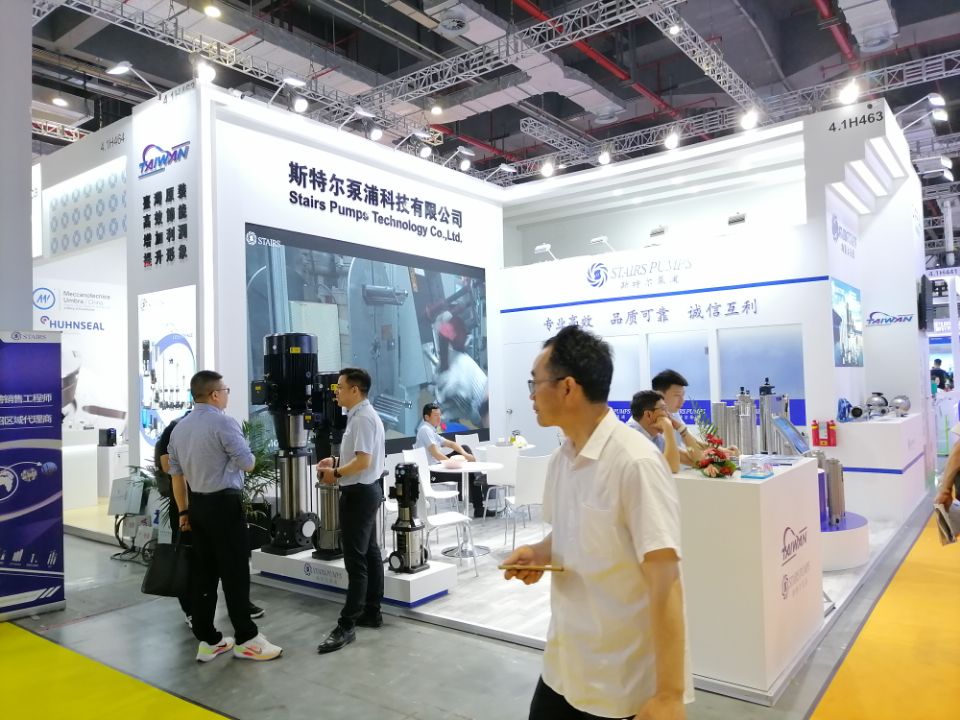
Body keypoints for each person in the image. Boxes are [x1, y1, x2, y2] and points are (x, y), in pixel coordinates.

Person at [504, 326, 692, 720]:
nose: (531, 395)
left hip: (617, 684)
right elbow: (571, 533)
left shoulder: (635, 463)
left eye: (535, 383)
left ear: (567, 387)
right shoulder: (562, 460)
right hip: (562, 667)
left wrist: (670, 695)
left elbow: (666, 582)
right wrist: (539, 552)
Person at [168, 371, 282, 662]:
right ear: (215, 394)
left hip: (197, 506)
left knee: (204, 574)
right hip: (224, 505)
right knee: (235, 573)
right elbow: (248, 463)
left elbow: (176, 475)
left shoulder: (179, 429)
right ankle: (246, 638)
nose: (228, 394)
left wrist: (184, 511)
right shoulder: (223, 422)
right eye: (226, 390)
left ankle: (208, 639)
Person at [155, 411, 265, 629]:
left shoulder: (214, 426)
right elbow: (168, 467)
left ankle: (238, 608)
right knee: (192, 560)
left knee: (226, 559)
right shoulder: (176, 429)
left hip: (213, 499)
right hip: (186, 501)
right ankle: (192, 611)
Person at [315, 367, 386, 654]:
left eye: (340, 387)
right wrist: (334, 461)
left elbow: (363, 462)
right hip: (364, 491)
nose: (336, 392)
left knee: (356, 561)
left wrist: (335, 474)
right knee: (369, 553)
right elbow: (357, 457)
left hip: (359, 494)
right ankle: (371, 611)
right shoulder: (358, 416)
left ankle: (346, 625)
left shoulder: (364, 418)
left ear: (355, 390)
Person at [414, 402, 492, 517]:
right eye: (435, 415)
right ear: (427, 417)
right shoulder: (425, 430)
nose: (439, 418)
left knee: (464, 448)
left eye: (439, 415)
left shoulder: (431, 431)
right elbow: (435, 453)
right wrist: (451, 464)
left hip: (438, 467)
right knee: (469, 474)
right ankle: (479, 507)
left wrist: (465, 454)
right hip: (433, 472)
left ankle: (477, 476)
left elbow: (451, 444)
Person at [652, 369, 737, 460]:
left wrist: (723, 451)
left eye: (683, 395)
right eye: (677, 395)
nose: (682, 400)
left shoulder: (673, 414)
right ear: (659, 395)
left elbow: (693, 441)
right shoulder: (650, 422)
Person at [627, 390, 686, 473]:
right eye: (664, 409)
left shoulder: (655, 436)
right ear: (648, 415)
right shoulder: (631, 436)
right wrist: (668, 428)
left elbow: (694, 460)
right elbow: (671, 468)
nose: (668, 415)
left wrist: (682, 429)